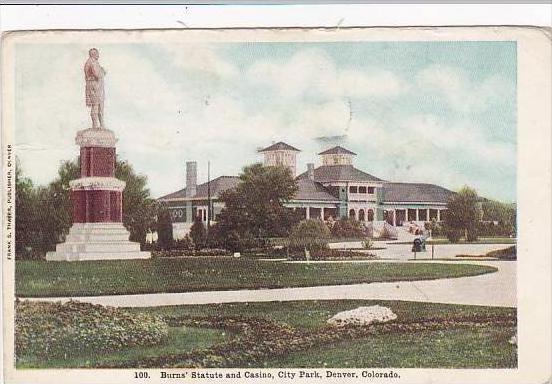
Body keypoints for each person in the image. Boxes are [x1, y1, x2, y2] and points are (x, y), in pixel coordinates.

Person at [84, 48, 106, 129]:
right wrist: (103, 71)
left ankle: (100, 125)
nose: (98, 55)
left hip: (94, 86)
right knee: (96, 105)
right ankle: (96, 126)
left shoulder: (90, 62)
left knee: (97, 105)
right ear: (93, 54)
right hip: (95, 86)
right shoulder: (92, 62)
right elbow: (97, 74)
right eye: (97, 53)